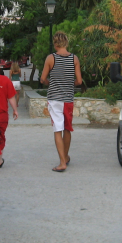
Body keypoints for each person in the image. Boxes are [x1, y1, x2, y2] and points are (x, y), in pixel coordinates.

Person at [40, 31, 82, 172]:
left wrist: (49, 83)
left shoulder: (51, 58)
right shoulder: (74, 59)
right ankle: (66, 156)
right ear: (66, 42)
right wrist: (70, 84)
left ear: (55, 43)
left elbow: (42, 79)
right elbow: (79, 81)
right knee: (67, 129)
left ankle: (62, 162)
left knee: (57, 130)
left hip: (54, 99)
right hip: (68, 99)